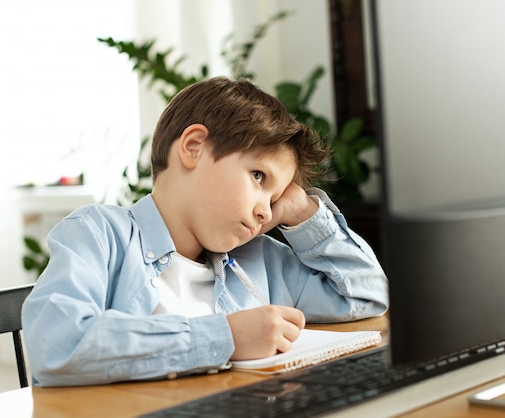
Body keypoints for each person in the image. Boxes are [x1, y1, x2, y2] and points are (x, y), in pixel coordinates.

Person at [21, 77, 388, 387]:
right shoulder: (100, 235)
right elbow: (57, 343)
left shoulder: (260, 261)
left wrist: (303, 211)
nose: (265, 210)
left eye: (275, 197)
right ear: (194, 147)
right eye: (258, 177)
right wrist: (226, 338)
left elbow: (368, 295)